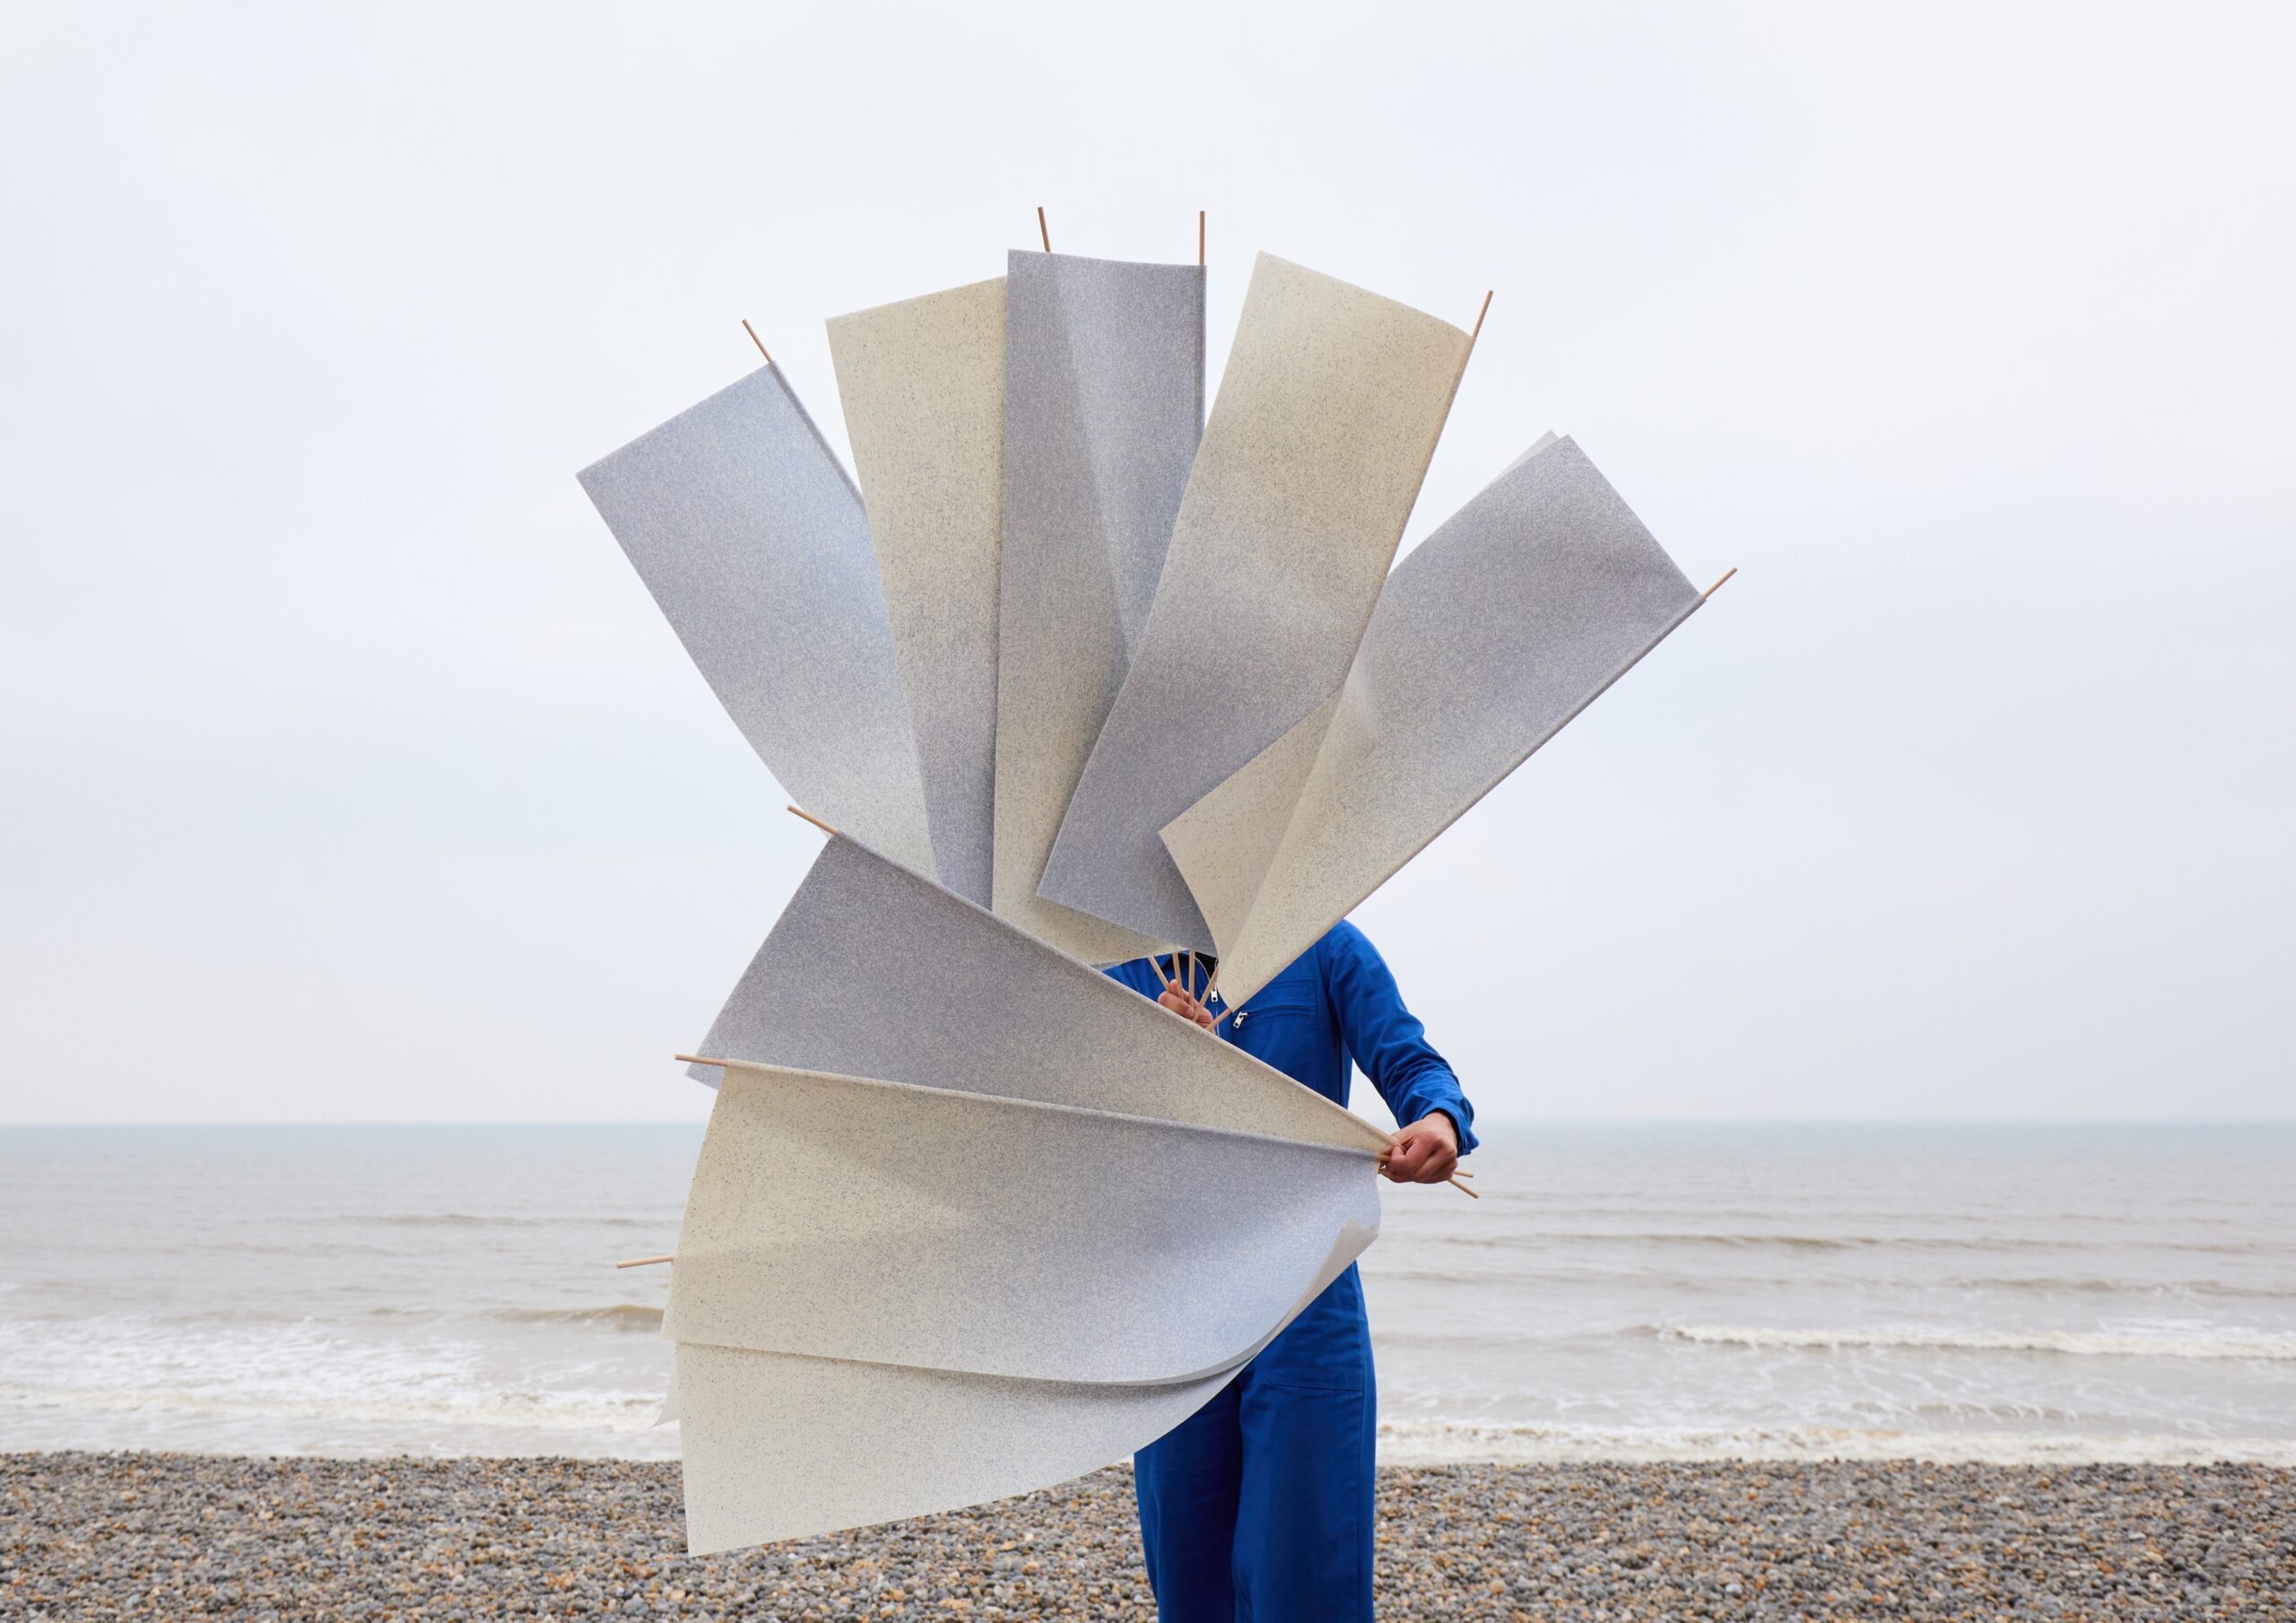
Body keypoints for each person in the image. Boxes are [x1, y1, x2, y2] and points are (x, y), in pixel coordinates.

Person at [1104, 923, 1475, 1623]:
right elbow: (1065, 1115)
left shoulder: (1322, 940)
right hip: (1170, 1304)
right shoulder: (1117, 964)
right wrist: (1141, 1053)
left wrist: (1438, 1121)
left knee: (1305, 1578)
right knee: (1188, 1583)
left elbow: (1414, 1064)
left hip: (1306, 1294)